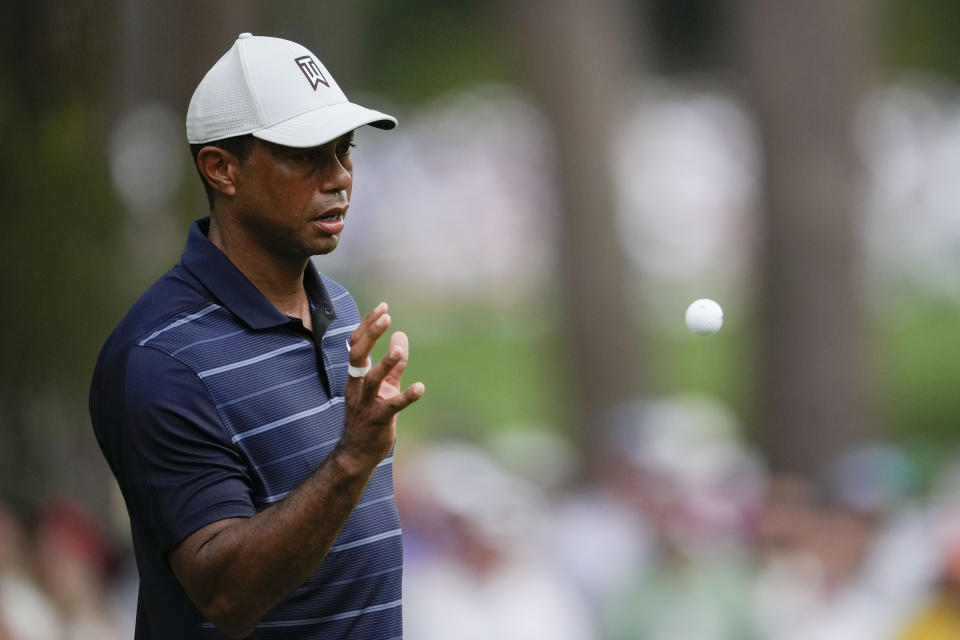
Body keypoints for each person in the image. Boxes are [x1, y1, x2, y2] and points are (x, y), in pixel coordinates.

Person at [89, 33, 424, 639]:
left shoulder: (341, 310)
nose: (341, 177)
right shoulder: (160, 358)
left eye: (344, 151)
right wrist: (351, 460)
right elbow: (225, 593)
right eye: (307, 155)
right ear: (221, 169)